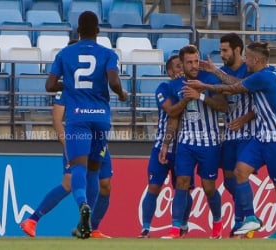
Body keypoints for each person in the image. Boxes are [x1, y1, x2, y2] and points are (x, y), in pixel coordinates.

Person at [186, 42, 276, 239]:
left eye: (248, 58)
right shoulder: (273, 72)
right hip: (262, 138)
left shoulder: (261, 77)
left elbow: (233, 88)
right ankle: (250, 217)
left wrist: (204, 87)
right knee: (239, 172)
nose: (245, 61)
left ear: (256, 60)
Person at [45, 11, 127, 239]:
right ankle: (88, 224)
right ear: (98, 31)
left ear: (77, 31)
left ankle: (83, 205)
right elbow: (113, 81)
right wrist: (121, 94)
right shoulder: (108, 54)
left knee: (78, 168)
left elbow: (49, 85)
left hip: (78, 118)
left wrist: (70, 86)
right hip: (101, 119)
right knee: (94, 171)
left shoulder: (65, 53)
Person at [20, 91, 113, 239]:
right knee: (68, 182)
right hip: (77, 139)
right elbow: (57, 120)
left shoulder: (99, 83)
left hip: (98, 140)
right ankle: (32, 220)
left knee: (105, 184)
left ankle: (91, 229)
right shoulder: (67, 86)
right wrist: (68, 144)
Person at [159, 45, 228, 239]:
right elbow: (174, 116)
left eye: (196, 61)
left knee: (209, 187)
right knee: (181, 183)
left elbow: (223, 106)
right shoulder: (175, 85)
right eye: (189, 62)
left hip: (210, 143)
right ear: (181, 64)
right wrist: (166, 143)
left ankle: (217, 223)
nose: (194, 65)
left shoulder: (210, 79)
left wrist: (201, 96)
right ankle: (174, 229)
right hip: (186, 142)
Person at [138, 55, 194, 239]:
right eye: (177, 67)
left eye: (182, 66)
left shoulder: (192, 86)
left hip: (185, 147)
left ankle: (182, 225)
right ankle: (145, 228)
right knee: (153, 188)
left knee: (183, 188)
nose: (180, 70)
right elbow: (171, 111)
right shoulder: (164, 88)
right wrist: (186, 98)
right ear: (170, 72)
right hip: (162, 147)